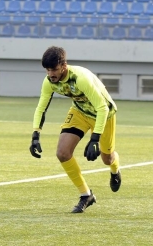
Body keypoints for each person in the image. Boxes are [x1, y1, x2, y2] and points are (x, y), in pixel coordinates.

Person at [29, 46, 121, 213]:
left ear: (64, 65)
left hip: (104, 115)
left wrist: (94, 139)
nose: (51, 74)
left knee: (107, 159)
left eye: (54, 69)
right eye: (47, 70)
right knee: (62, 153)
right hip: (79, 112)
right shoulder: (49, 82)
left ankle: (115, 169)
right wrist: (35, 134)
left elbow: (102, 108)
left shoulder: (80, 78)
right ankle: (86, 195)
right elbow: (41, 108)